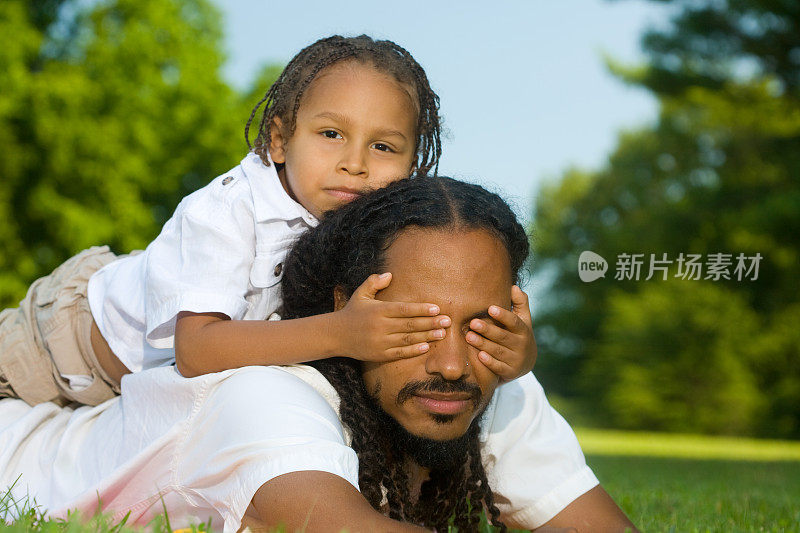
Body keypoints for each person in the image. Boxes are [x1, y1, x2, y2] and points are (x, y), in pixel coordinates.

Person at [0, 177, 637, 532]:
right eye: (417, 325)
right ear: (346, 305)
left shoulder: (494, 382)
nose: (450, 363)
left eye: (479, 325)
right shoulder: (266, 396)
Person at [0, 35, 536, 408]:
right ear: (279, 139)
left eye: (383, 145)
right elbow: (197, 349)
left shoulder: (388, 232)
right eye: (331, 135)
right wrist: (340, 332)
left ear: (415, 166)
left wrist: (519, 353)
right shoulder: (226, 211)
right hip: (65, 341)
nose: (356, 162)